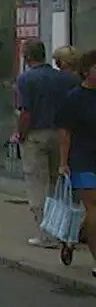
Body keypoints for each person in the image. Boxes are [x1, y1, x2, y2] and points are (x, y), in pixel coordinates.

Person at [16, 40, 78, 248]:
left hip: (36, 134)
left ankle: (45, 233)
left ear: (27, 57)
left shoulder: (26, 79)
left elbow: (26, 112)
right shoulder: (64, 79)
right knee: (56, 183)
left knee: (37, 184)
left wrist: (20, 134)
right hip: (61, 135)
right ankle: (63, 230)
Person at [53, 49, 96, 275]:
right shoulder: (75, 98)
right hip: (83, 160)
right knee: (93, 207)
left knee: (91, 212)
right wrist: (63, 163)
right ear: (87, 71)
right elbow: (64, 134)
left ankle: (73, 238)